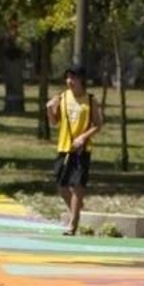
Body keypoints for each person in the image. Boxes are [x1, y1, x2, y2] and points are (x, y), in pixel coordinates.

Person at [45, 66, 103, 236]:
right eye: (68, 78)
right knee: (62, 187)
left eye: (73, 78)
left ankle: (73, 223)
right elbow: (54, 122)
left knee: (78, 186)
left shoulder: (90, 100)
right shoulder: (62, 97)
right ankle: (76, 210)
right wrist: (49, 109)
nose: (70, 81)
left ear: (81, 80)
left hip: (82, 150)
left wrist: (83, 137)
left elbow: (98, 125)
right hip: (64, 147)